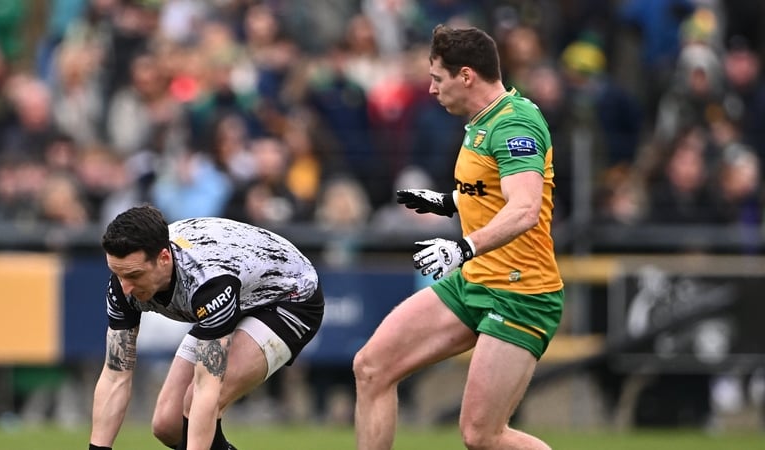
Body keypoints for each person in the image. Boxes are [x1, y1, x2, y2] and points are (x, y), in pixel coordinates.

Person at [353, 24, 564, 450]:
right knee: (372, 367)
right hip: (476, 281)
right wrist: (444, 203)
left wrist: (463, 246)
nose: (431, 90)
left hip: (520, 293)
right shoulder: (481, 122)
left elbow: (523, 209)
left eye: (437, 78)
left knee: (481, 436)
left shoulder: (513, 124)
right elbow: (489, 192)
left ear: (466, 76)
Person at [88, 205, 324, 450]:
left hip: (290, 297)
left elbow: (207, 387)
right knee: (168, 423)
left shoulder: (208, 282)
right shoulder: (123, 284)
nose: (125, 288)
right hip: (240, 292)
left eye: (134, 275)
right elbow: (116, 375)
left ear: (164, 259)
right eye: (117, 274)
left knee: (195, 402)